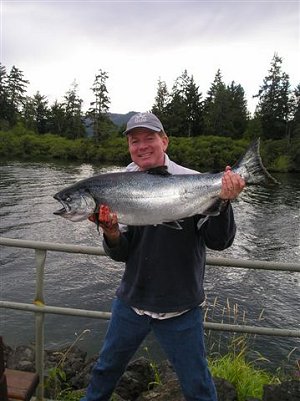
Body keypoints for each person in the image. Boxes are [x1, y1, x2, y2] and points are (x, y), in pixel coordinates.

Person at [81, 112, 245, 401]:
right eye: (135, 141)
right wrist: (111, 232)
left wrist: (225, 201)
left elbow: (219, 242)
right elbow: (122, 253)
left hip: (181, 307)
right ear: (129, 146)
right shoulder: (119, 185)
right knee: (104, 371)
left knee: (197, 386)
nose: (142, 146)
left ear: (164, 141)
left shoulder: (194, 181)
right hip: (132, 302)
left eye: (149, 138)